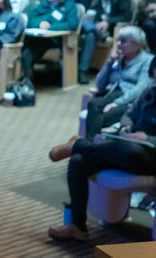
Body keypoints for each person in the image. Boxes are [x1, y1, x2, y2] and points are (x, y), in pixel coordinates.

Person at [47, 84, 156, 242]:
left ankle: (78, 145)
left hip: (151, 156)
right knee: (79, 162)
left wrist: (146, 138)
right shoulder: (150, 92)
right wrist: (127, 127)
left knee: (130, 151)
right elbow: (129, 115)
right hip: (129, 147)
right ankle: (77, 226)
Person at [82, 26, 154, 139]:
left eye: (124, 41)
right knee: (93, 105)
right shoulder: (119, 58)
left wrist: (117, 102)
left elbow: (141, 87)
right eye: (118, 40)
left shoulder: (147, 60)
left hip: (131, 101)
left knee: (98, 118)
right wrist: (109, 62)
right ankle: (90, 145)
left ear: (138, 44)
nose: (119, 44)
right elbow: (100, 85)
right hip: (113, 94)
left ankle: (88, 145)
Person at [79, 0, 132, 82]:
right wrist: (86, 14)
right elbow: (82, 8)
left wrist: (108, 21)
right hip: (93, 25)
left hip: (110, 28)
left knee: (91, 35)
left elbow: (126, 16)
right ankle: (82, 70)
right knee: (83, 23)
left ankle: (82, 70)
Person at [19, 0, 80, 80]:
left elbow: (71, 24)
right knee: (23, 45)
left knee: (31, 51)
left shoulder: (70, 6)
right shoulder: (44, 4)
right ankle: (22, 77)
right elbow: (29, 18)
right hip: (39, 37)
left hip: (57, 40)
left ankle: (25, 79)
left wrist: (51, 26)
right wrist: (40, 24)